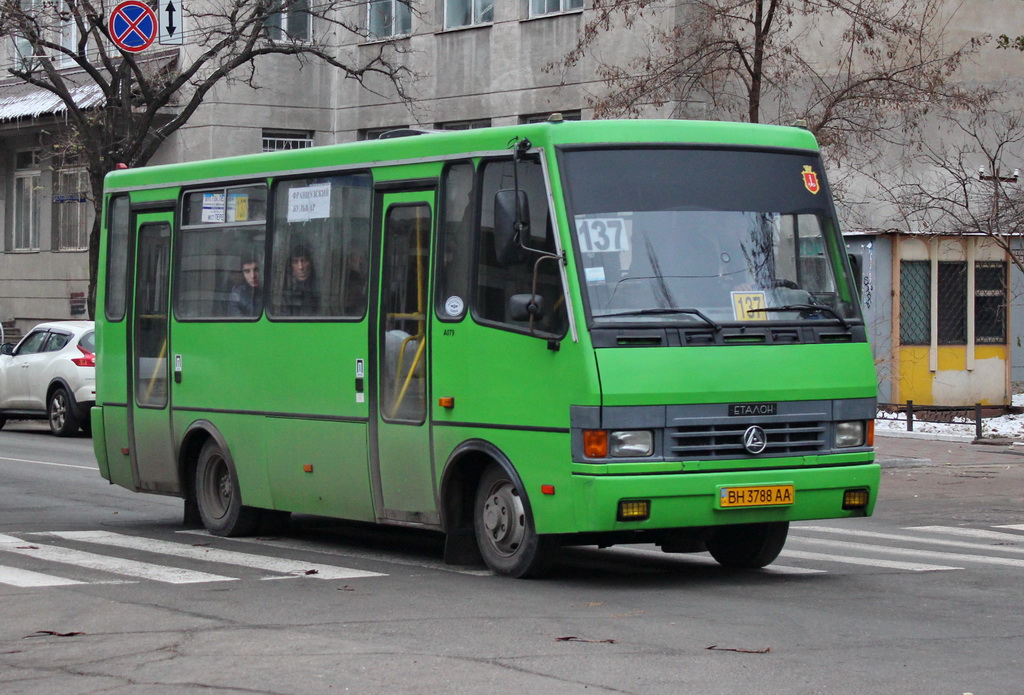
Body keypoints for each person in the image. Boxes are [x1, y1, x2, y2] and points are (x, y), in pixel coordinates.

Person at [280, 243, 320, 316]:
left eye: (304, 261)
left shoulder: (320, 287)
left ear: (310, 263)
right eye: (295, 262)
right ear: (290, 266)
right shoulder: (284, 290)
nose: (300, 267)